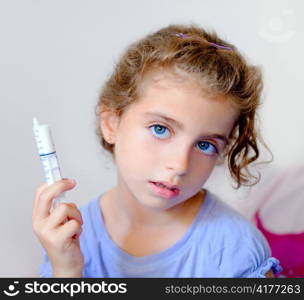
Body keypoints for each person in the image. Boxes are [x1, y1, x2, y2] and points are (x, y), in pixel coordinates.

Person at [32, 23, 282, 277]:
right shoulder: (70, 236)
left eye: (204, 145)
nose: (180, 165)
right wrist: (67, 269)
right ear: (111, 123)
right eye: (160, 129)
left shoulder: (236, 251)